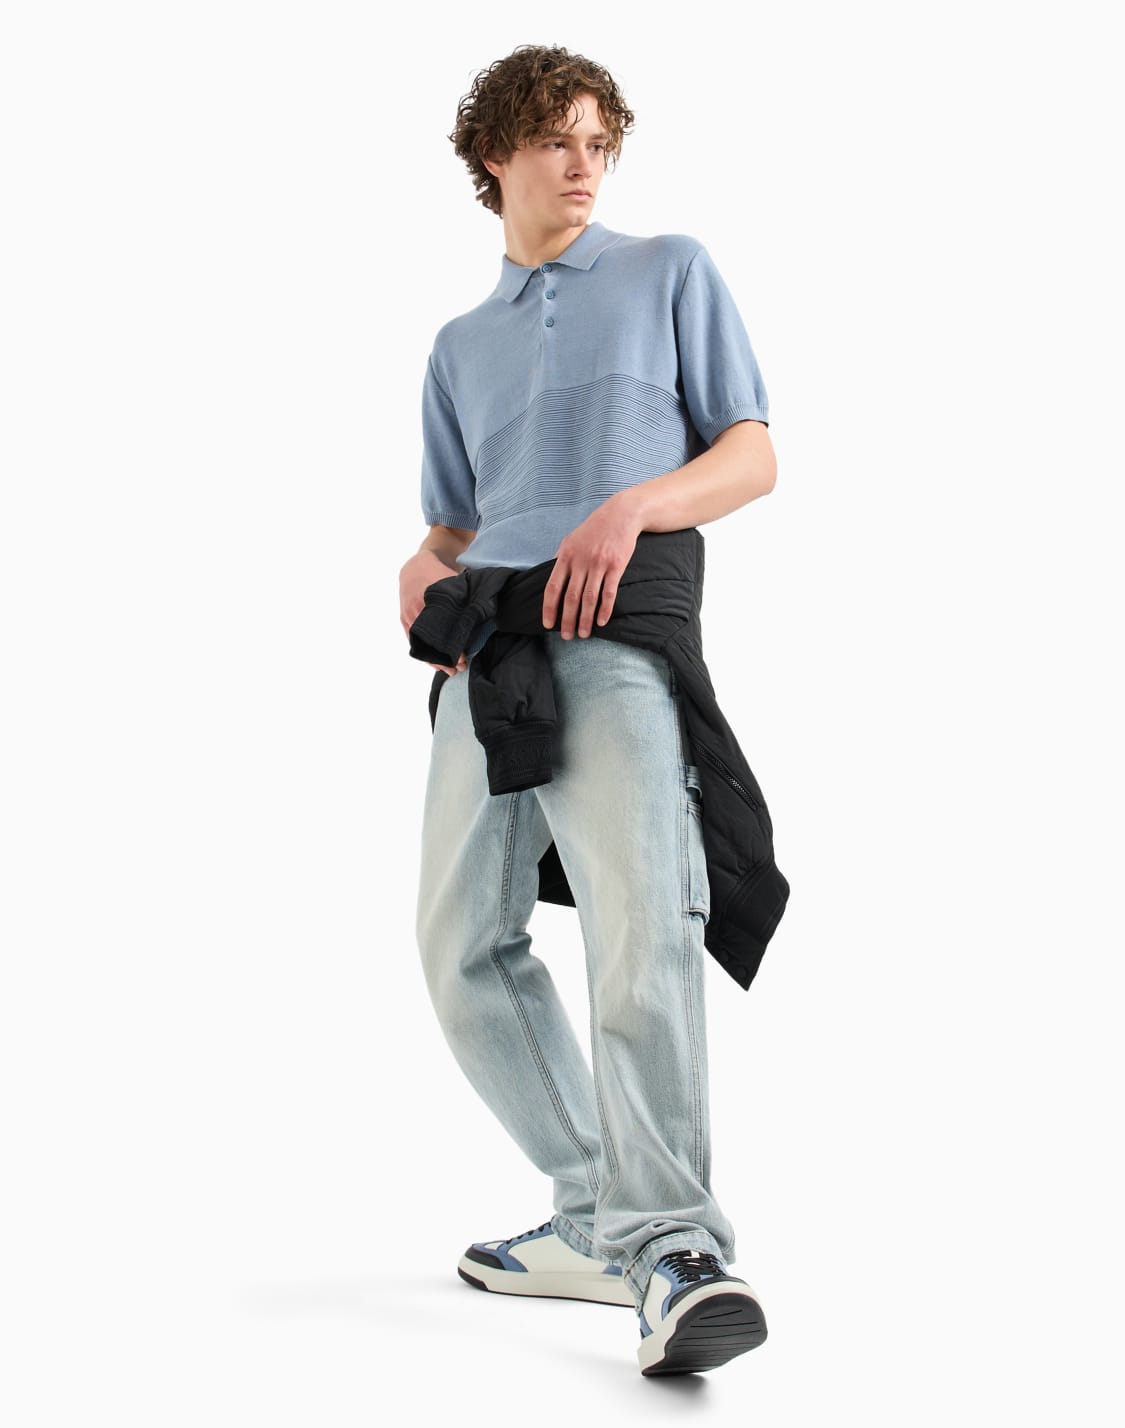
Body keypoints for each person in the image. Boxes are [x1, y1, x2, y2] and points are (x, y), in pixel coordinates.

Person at [399, 43, 778, 1377]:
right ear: (493, 156)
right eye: (556, 140)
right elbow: (458, 522)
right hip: (485, 659)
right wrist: (419, 565)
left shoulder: (667, 270)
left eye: (598, 142)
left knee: (639, 935)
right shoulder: (458, 347)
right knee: (459, 946)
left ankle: (672, 1246)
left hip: (612, 638)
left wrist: (634, 506)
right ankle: (592, 1208)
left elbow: (751, 453)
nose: (583, 165)